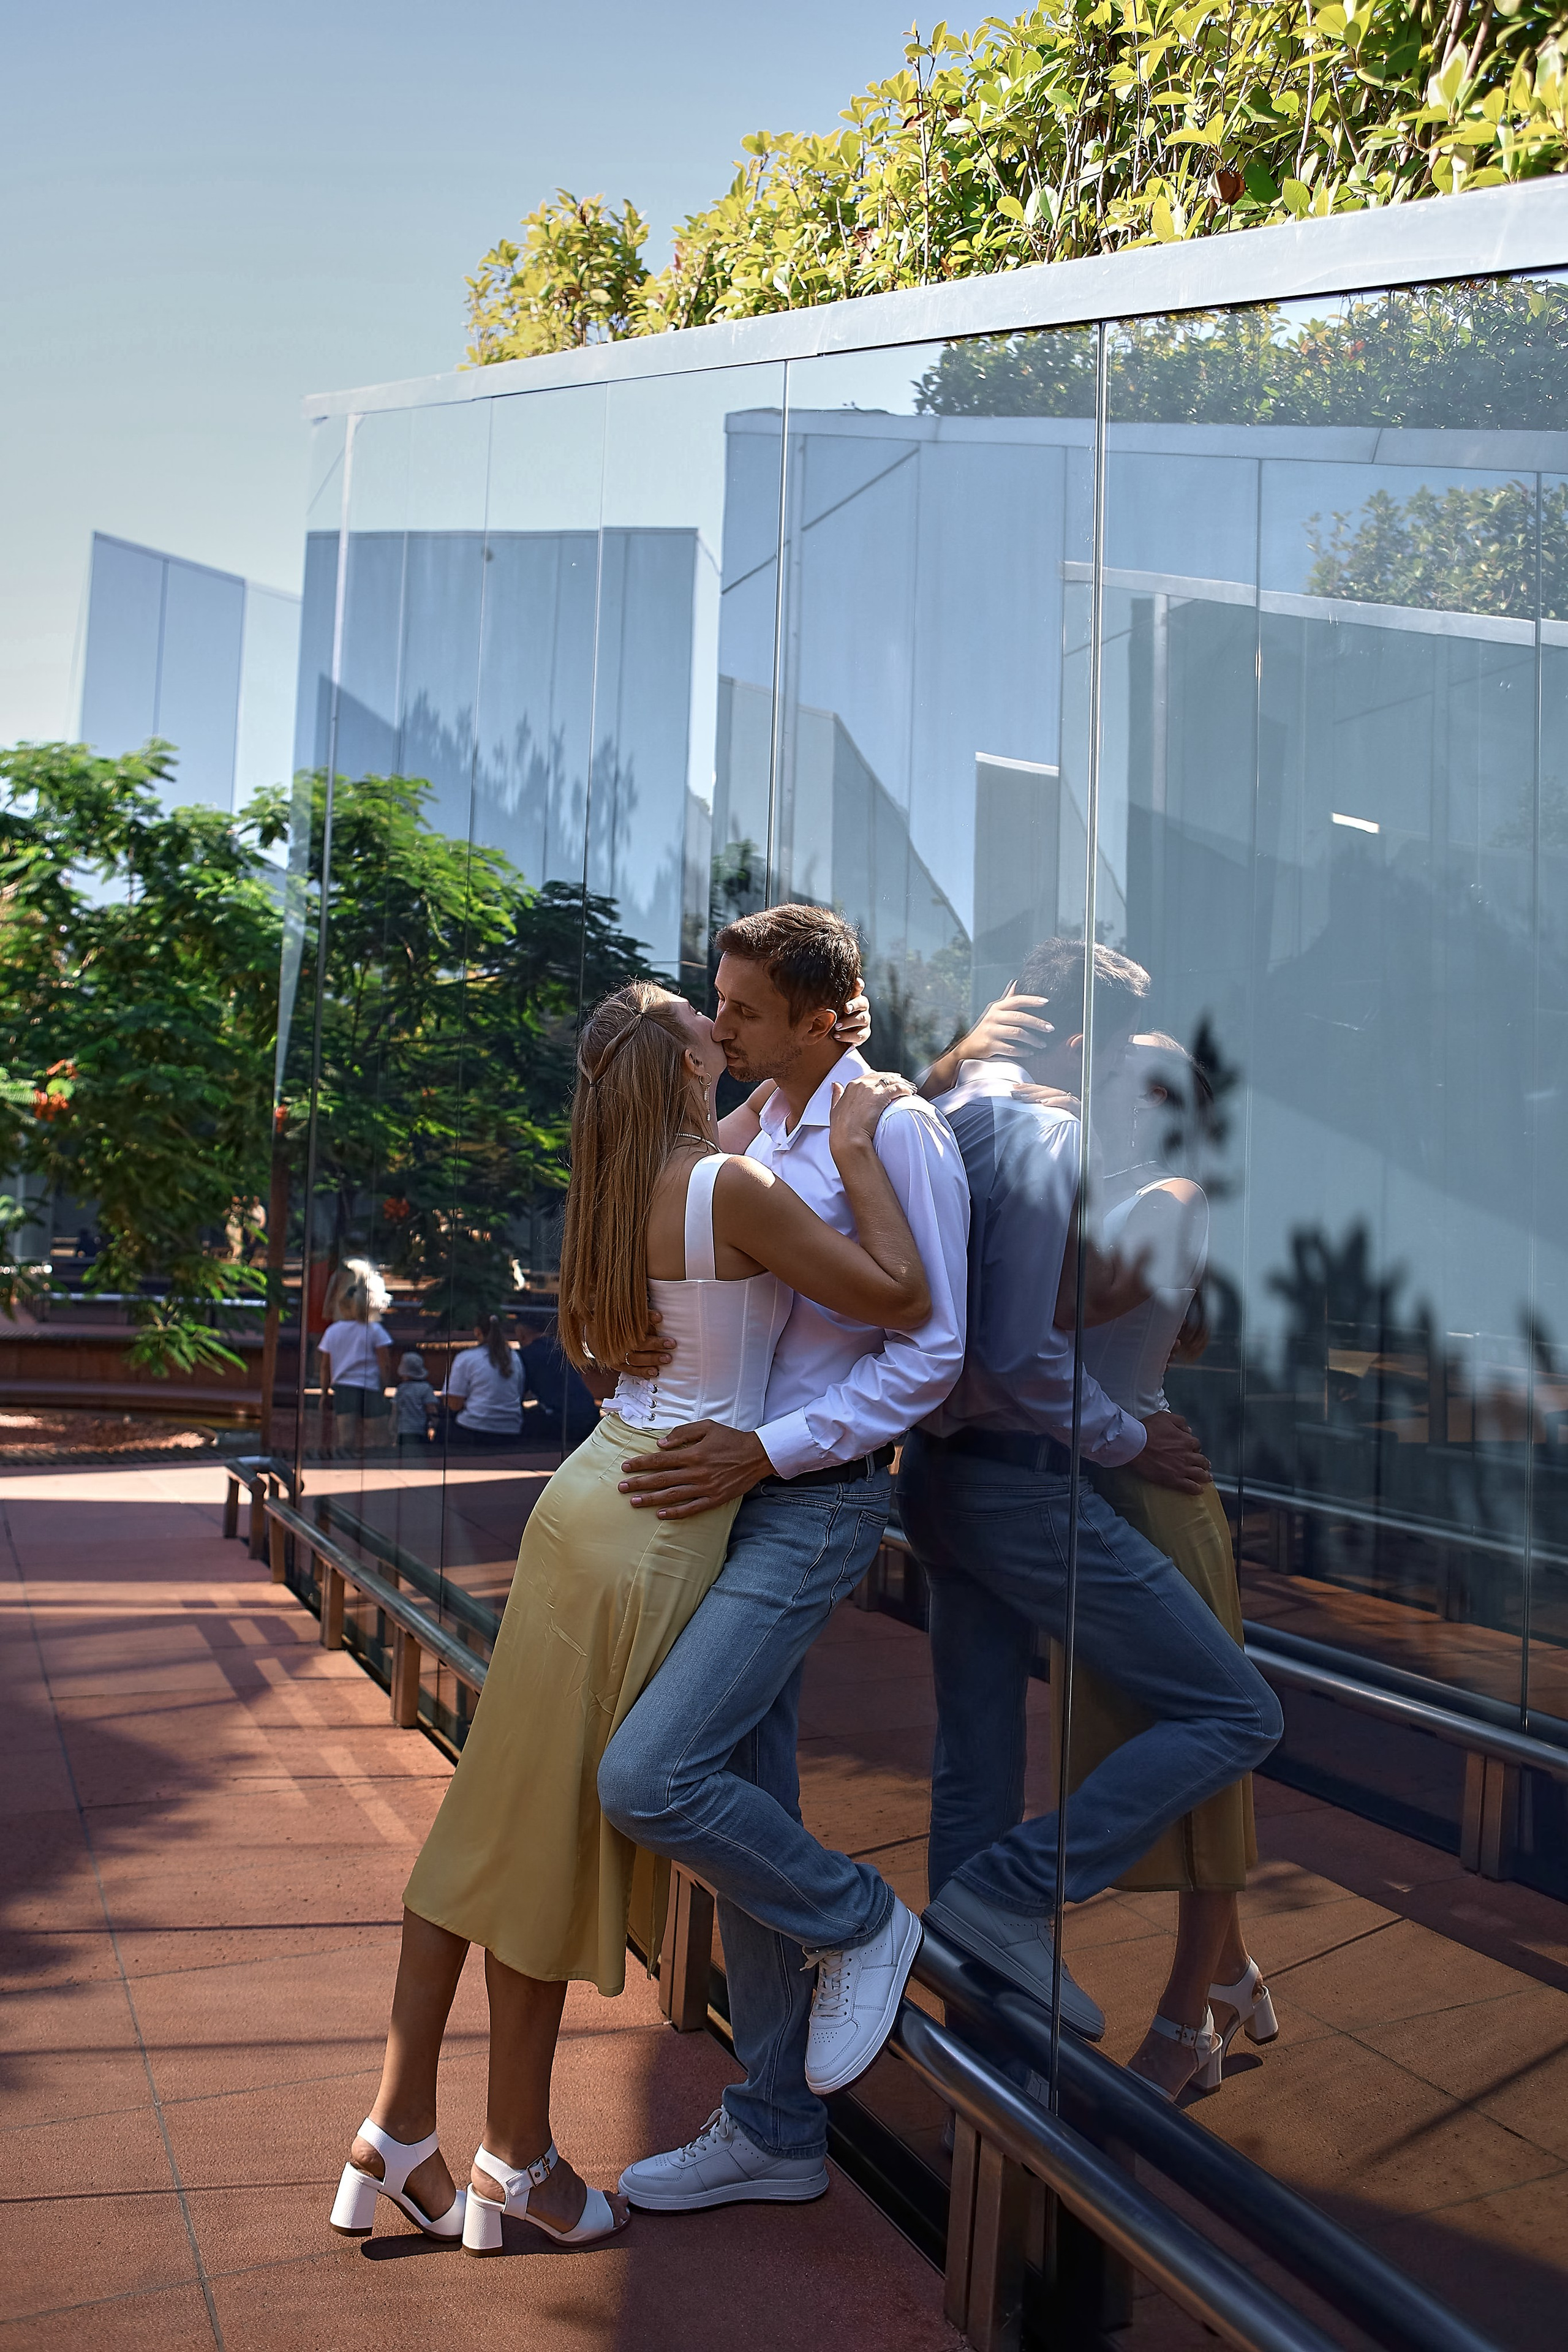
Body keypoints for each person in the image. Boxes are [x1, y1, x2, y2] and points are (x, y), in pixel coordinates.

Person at [330, 976, 931, 2255]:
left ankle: (401, 2131)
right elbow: (894, 1297)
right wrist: (864, 1141)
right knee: (548, 1838)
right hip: (657, 1527)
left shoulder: (617, 1189)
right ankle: (518, 2160)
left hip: (593, 1489)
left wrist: (801, 1071)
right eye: (704, 1035)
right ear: (671, 1072)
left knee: (490, 1819)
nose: (725, 1043)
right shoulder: (730, 1188)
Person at [597, 905, 970, 2218]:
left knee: (649, 1777)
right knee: (732, 1793)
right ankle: (771, 2126)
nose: (720, 1024)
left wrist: (769, 1451)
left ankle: (862, 1919)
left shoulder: (891, 1130)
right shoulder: (758, 1129)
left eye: (744, 1009)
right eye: (718, 1000)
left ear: (821, 1016)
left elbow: (929, 1350)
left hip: (806, 1505)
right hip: (723, 1502)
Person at [897, 937, 1282, 2055]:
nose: (1127, 1087)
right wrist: (1127, 1437)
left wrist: (948, 1081)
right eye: (1123, 1063)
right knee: (1225, 1716)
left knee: (981, 1758)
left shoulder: (988, 1132)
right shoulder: (1034, 1136)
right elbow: (1027, 1334)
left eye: (1162, 1084)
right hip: (1035, 1481)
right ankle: (1011, 1915)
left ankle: (1002, 2003)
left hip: (1000, 1478)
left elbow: (1021, 1307)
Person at [1048, 1032, 1277, 2097]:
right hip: (1108, 1492)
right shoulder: (1102, 1185)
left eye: (1132, 1076)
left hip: (1158, 1504)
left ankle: (1190, 2026)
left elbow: (1053, 1312)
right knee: (1147, 1750)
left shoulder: (1171, 1193)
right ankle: (1230, 1975)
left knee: (1201, 1764)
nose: (1103, 1083)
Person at [316, 1261, 393, 1456]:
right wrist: (383, 1385)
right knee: (380, 1437)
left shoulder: (333, 1331)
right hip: (369, 1385)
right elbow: (384, 1362)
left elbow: (325, 1365)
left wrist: (325, 1391)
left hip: (344, 1388)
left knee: (346, 1439)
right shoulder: (375, 1330)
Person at [441, 1314, 524, 1449]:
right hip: (511, 1428)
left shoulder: (467, 1358)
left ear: (477, 1332)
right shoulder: (515, 1357)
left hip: (475, 1427)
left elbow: (454, 1403)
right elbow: (519, 1393)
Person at [393, 1350, 438, 1453]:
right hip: (420, 1430)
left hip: (403, 1430)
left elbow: (395, 1410)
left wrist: (393, 1429)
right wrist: (434, 1426)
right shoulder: (426, 1388)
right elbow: (431, 1409)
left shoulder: (401, 1388)